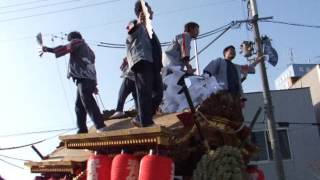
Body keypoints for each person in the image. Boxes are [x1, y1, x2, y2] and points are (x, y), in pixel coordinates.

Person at [42, 31, 107, 134]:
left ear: (73, 38)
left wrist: (48, 49)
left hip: (83, 77)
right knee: (79, 105)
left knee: (87, 100)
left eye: (70, 40)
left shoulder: (77, 42)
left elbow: (65, 48)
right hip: (88, 78)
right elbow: (92, 66)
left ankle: (100, 125)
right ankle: (82, 129)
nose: (70, 41)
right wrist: (94, 85)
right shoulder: (90, 51)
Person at [125, 1, 163, 127]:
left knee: (159, 92)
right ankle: (146, 122)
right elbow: (130, 31)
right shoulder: (136, 24)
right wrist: (139, 22)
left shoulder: (149, 28)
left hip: (154, 64)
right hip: (142, 61)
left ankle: (140, 118)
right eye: (149, 9)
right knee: (144, 92)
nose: (152, 11)